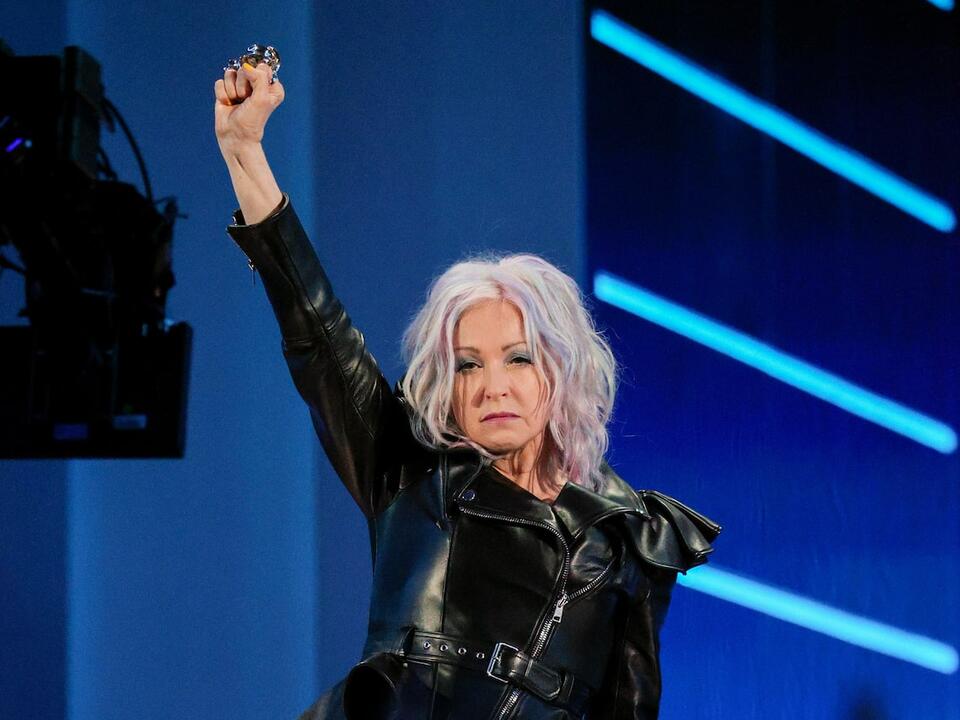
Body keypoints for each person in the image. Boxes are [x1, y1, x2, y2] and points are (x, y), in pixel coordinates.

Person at [215, 59, 721, 720]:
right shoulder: (405, 468)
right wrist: (245, 151)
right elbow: (317, 330)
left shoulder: (629, 535)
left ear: (561, 370)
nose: (492, 388)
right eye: (467, 366)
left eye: (518, 358)